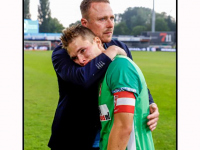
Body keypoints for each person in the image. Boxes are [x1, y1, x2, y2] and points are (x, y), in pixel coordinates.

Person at [48, 0, 159, 149]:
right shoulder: (63, 52)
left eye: (112, 18)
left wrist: (150, 102)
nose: (110, 24)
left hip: (109, 131)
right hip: (74, 137)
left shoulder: (120, 46)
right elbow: (82, 79)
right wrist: (109, 53)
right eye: (102, 19)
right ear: (85, 22)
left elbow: (130, 80)